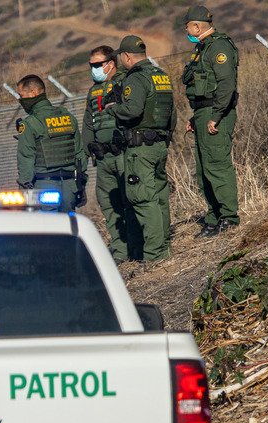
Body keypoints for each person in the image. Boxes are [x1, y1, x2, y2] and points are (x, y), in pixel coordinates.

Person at [105, 35, 176, 262]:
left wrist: (113, 108)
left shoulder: (135, 79)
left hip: (140, 148)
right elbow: (171, 113)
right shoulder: (160, 75)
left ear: (126, 56)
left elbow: (132, 110)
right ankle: (164, 249)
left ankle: (154, 255)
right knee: (159, 197)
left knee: (143, 199)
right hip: (159, 145)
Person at [182, 5, 240, 238]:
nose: (185, 29)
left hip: (217, 114)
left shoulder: (219, 47)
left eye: (187, 25)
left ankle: (229, 217)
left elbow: (226, 85)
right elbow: (203, 88)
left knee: (217, 165)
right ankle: (214, 217)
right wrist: (195, 117)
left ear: (197, 26)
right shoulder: (202, 48)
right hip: (204, 114)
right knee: (204, 169)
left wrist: (215, 116)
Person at [82, 45, 135, 264]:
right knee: (108, 203)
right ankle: (120, 251)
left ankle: (137, 246)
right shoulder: (93, 90)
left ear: (111, 64)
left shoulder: (125, 82)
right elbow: (88, 123)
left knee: (130, 200)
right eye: (91, 65)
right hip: (103, 158)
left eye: (97, 65)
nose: (93, 69)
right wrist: (86, 153)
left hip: (124, 153)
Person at [16, 74, 87, 212]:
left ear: (33, 93)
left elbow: (26, 160)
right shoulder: (68, 117)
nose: (20, 100)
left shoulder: (30, 124)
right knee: (68, 228)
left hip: (45, 187)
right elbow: (80, 154)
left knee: (48, 229)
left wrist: (23, 191)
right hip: (69, 186)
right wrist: (81, 185)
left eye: (21, 95)